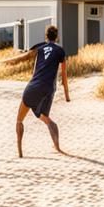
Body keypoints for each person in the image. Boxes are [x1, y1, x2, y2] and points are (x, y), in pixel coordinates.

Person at [16, 25, 70, 157]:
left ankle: (20, 152)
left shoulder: (39, 48)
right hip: (48, 89)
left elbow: (29, 63)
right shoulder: (60, 51)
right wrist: (67, 96)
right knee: (47, 119)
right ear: (56, 37)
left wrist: (13, 61)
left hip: (34, 86)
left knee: (19, 120)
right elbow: (64, 76)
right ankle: (57, 147)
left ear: (46, 36)